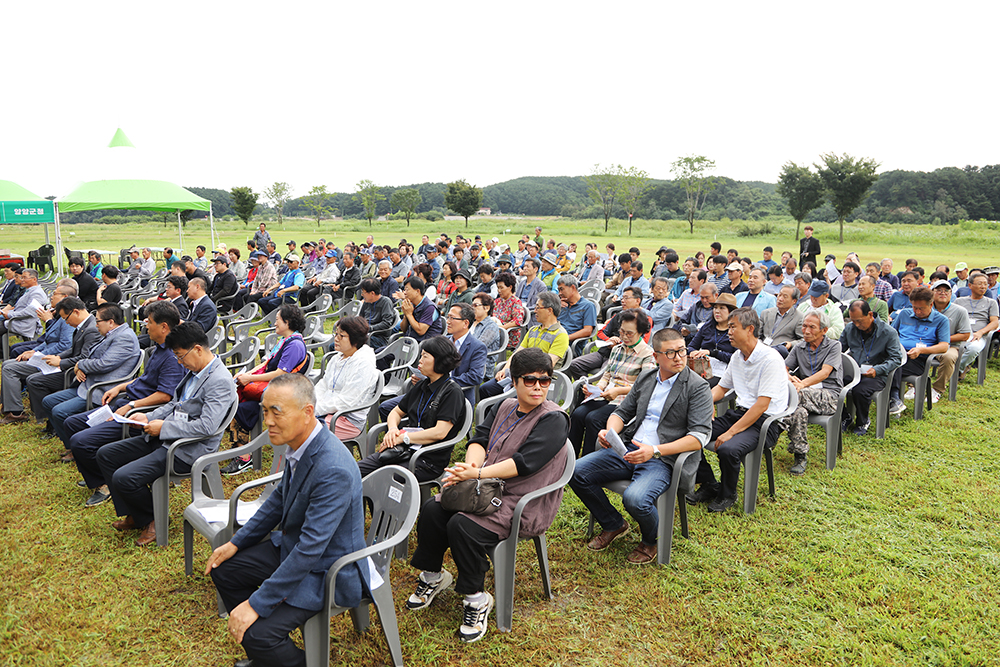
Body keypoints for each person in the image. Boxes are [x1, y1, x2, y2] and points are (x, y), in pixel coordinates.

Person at [406, 347, 569, 643]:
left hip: (523, 500)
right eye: (530, 380)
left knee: (461, 525)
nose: (537, 387)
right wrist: (470, 467)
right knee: (433, 509)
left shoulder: (554, 419)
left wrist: (476, 475)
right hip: (485, 488)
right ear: (515, 381)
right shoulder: (504, 406)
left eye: (544, 381)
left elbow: (524, 463)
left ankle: (476, 597)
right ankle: (433, 575)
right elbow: (479, 439)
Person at [205, 373, 368, 667]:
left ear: (307, 413)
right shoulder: (301, 443)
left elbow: (311, 549)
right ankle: (269, 657)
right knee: (224, 569)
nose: (267, 421)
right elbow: (278, 501)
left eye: (276, 412)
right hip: (296, 550)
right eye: (264, 411)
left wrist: (256, 603)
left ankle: (283, 656)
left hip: (327, 570)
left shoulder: (333, 468)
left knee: (257, 634)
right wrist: (236, 543)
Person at [570, 328, 712, 563]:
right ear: (656, 357)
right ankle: (613, 523)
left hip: (662, 459)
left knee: (635, 499)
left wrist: (654, 450)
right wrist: (610, 431)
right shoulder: (647, 379)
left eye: (682, 351)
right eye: (671, 353)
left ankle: (651, 540)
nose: (678, 357)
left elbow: (699, 437)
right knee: (575, 471)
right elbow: (621, 412)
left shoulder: (697, 387)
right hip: (629, 449)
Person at [97, 322, 236, 546]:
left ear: (198, 349)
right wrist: (148, 417)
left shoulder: (219, 381)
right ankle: (136, 512)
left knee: (124, 477)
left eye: (181, 356)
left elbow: (207, 427)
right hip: (166, 438)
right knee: (106, 454)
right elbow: (174, 404)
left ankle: (153, 519)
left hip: (186, 450)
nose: (180, 362)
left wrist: (164, 428)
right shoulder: (195, 372)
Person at [65, 301, 185, 506]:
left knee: (80, 441)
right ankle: (100, 474)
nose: (145, 326)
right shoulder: (158, 348)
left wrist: (131, 406)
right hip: (125, 400)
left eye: (149, 322)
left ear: (164, 327)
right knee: (73, 424)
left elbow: (165, 395)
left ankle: (104, 483)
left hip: (137, 411)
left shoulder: (173, 356)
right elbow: (145, 379)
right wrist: (120, 387)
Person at [689, 308, 789, 513]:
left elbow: (762, 405)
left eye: (733, 327)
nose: (728, 332)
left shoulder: (770, 359)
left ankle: (727, 494)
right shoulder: (737, 356)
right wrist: (705, 406)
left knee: (728, 448)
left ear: (750, 329)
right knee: (691, 431)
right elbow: (721, 389)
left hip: (765, 422)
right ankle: (709, 483)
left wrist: (731, 432)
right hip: (741, 413)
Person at [360, 336, 466, 481]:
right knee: (357, 470)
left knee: (382, 479)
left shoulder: (452, 392)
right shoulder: (423, 385)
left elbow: (440, 432)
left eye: (425, 356)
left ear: (440, 361)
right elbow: (396, 412)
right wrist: (392, 430)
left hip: (427, 459)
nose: (419, 361)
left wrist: (404, 438)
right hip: (403, 449)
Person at [41, 303, 142, 447]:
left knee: (59, 411)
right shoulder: (112, 333)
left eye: (98, 321)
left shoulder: (124, 337)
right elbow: (91, 356)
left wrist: (80, 364)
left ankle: (74, 447)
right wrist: (81, 365)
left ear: (111, 322)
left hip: (101, 389)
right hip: (88, 383)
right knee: (48, 401)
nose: (95, 325)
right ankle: (69, 440)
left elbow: (103, 364)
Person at [226, 304, 309, 473]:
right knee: (235, 400)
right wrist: (246, 375)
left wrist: (250, 379)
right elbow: (267, 363)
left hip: (281, 391)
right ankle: (241, 448)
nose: (275, 323)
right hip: (271, 387)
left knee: (241, 408)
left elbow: (280, 373)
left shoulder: (295, 345)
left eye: (278, 319)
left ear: (287, 322)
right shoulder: (285, 340)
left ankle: (244, 457)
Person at [568, 309, 654, 456]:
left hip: (625, 401)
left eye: (629, 333)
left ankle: (587, 461)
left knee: (593, 419)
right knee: (577, 414)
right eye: (621, 332)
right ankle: (569, 457)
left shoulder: (647, 354)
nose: (624, 337)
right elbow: (607, 375)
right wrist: (596, 388)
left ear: (641, 333)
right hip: (607, 395)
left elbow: (645, 386)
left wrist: (618, 391)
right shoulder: (617, 349)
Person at [783, 310, 843, 475]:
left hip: (829, 395)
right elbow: (783, 368)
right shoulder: (799, 347)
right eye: (804, 326)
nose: (806, 331)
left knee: (795, 395)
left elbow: (825, 373)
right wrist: (789, 378)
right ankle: (800, 455)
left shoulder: (834, 346)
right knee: (798, 411)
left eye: (812, 327)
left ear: (824, 330)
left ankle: (773, 429)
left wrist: (801, 384)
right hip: (803, 394)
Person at [478, 292, 568, 399]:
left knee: (504, 402)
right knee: (485, 389)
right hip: (520, 375)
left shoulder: (561, 335)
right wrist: (505, 369)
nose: (534, 311)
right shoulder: (533, 330)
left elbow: (547, 366)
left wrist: (522, 377)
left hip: (537, 381)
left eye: (538, 307)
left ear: (549, 310)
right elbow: (518, 353)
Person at [839, 300, 902, 435]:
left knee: (860, 390)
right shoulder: (850, 328)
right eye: (853, 320)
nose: (856, 324)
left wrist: (878, 369)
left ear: (870, 314)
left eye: (859, 321)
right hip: (855, 371)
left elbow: (896, 358)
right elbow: (839, 349)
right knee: (833, 383)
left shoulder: (888, 332)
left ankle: (863, 421)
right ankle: (845, 417)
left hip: (877, 374)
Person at [315, 315, 380, 441]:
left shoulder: (364, 364)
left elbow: (346, 401)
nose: (336, 339)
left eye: (342, 336)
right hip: (328, 411)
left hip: (347, 418)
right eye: (336, 334)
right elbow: (324, 384)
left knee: (303, 431)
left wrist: (316, 409)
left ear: (355, 340)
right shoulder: (337, 358)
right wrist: (311, 402)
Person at [888, 286, 950, 415]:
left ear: (931, 304)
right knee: (889, 361)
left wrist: (921, 350)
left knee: (892, 365)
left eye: (921, 308)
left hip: (918, 360)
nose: (916, 311)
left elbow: (944, 346)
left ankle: (893, 398)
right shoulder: (905, 314)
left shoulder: (941, 320)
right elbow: (891, 334)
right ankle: (892, 399)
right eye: (914, 307)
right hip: (898, 353)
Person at [566, 290, 649, 379]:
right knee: (574, 364)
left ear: (637, 300)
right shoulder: (619, 316)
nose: (622, 300)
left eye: (626, 298)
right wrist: (609, 341)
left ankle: (596, 391)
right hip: (604, 352)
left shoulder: (645, 319)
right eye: (622, 297)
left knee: (605, 375)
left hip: (621, 356)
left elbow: (642, 342)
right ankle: (585, 389)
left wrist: (618, 343)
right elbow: (601, 332)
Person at [929, 280, 970, 400]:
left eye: (946, 290)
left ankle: (937, 389)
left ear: (951, 293)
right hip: (926, 343)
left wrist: (943, 339)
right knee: (911, 351)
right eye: (939, 290)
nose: (943, 293)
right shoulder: (925, 308)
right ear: (932, 293)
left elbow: (965, 335)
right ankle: (913, 386)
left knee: (949, 357)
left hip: (950, 345)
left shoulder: (960, 311)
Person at [955, 273, 1000, 375]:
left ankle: (956, 370)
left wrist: (980, 332)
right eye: (980, 283)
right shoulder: (959, 301)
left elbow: (995, 323)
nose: (983, 286)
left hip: (978, 336)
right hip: (960, 334)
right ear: (970, 285)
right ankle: (960, 368)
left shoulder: (991, 302)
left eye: (985, 284)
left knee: (973, 349)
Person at [687, 293, 739, 381]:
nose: (717, 311)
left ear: (731, 312)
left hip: (723, 371)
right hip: (702, 366)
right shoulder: (707, 326)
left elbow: (736, 357)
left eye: (722, 308)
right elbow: (691, 346)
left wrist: (713, 353)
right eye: (715, 308)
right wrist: (694, 353)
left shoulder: (736, 331)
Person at [0, 268, 46, 340]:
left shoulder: (37, 293)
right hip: (18, 321)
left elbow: (29, 312)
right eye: (21, 277)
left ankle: (5, 350)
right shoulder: (29, 290)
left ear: (34, 279)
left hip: (25, 324)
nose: (22, 280)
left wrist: (9, 314)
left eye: (24, 277)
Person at [759, 285, 805, 357]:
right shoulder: (766, 313)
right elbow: (756, 334)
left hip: (780, 353)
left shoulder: (799, 317)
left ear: (794, 301)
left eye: (785, 297)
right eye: (779, 295)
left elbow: (803, 340)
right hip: (761, 350)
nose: (780, 299)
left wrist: (791, 344)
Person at [555, 275, 597, 353]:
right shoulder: (561, 304)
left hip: (570, 344)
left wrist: (565, 338)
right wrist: (556, 305)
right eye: (559, 290)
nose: (560, 293)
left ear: (573, 288)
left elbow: (587, 331)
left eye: (562, 289)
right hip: (553, 338)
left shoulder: (588, 306)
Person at [399, 276, 445, 343]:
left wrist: (409, 314)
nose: (404, 293)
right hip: (409, 343)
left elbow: (420, 331)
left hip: (424, 346)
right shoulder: (412, 304)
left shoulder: (430, 307)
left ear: (417, 291)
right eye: (404, 290)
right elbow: (403, 329)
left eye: (407, 289)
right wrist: (406, 315)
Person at [470, 293, 503, 380]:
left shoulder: (491, 326)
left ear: (487, 308)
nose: (472, 308)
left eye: (476, 305)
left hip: (481, 364)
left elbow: (478, 346)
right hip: (467, 358)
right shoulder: (470, 322)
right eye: (472, 305)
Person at [493, 271, 526, 349]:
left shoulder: (516, 302)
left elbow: (518, 321)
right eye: (498, 288)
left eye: (501, 287)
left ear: (510, 287)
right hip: (495, 332)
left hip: (508, 335)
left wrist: (502, 328)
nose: (499, 290)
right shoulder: (497, 301)